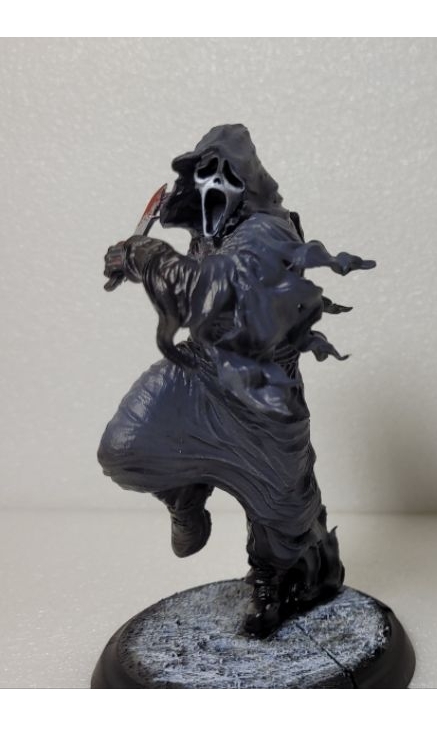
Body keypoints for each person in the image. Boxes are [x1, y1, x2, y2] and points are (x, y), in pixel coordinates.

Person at [98, 124, 374, 637]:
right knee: (124, 447)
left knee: (282, 509)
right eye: (200, 174)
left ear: (244, 179)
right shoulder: (212, 232)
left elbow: (213, 291)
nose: (210, 186)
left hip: (261, 391)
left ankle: (275, 581)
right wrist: (142, 256)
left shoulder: (268, 232)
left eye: (220, 173)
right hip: (201, 371)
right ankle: (185, 496)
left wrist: (145, 256)